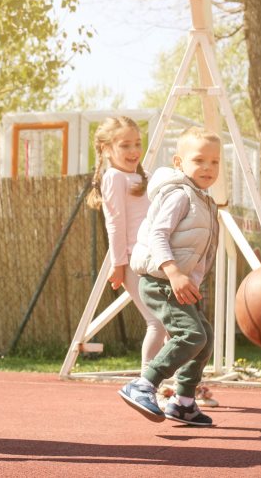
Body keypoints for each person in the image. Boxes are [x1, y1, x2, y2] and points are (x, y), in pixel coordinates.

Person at [118, 126, 222, 427]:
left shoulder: (203, 200)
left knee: (205, 337)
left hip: (180, 283)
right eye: (199, 160)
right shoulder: (179, 195)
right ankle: (144, 383)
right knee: (192, 335)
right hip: (162, 280)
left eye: (215, 162)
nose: (207, 167)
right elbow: (158, 235)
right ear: (179, 163)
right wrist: (174, 272)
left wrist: (188, 279)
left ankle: (184, 403)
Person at [86, 117, 168, 369]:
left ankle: (176, 383)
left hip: (155, 260)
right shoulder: (114, 178)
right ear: (106, 149)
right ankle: (147, 383)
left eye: (137, 144)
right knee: (157, 321)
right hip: (134, 262)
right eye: (125, 145)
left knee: (172, 324)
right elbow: (115, 223)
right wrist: (118, 264)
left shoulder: (147, 177)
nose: (133, 151)